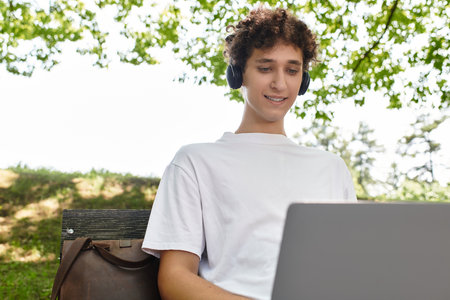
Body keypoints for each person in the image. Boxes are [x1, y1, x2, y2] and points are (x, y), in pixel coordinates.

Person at [142, 6, 356, 300]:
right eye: (265, 68)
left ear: (303, 81)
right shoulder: (194, 162)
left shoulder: (331, 168)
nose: (280, 83)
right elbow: (175, 279)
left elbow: (350, 271)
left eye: (292, 70)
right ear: (238, 73)